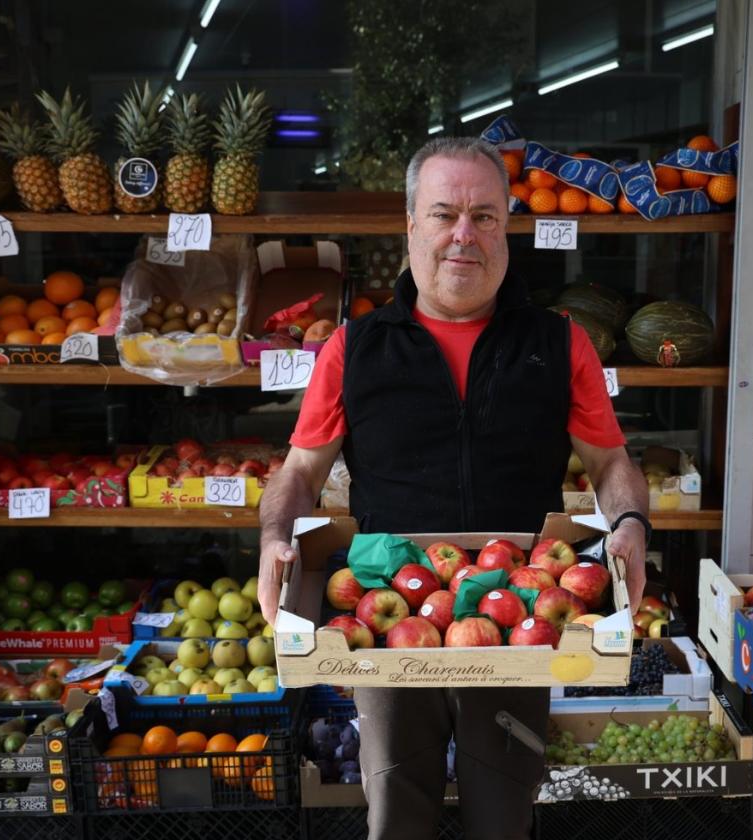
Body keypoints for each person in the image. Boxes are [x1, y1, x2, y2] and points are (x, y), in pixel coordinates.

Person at [256, 136, 649, 840]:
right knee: (397, 815)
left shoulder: (560, 344)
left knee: (501, 819)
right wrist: (276, 536)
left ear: (507, 227)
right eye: (444, 214)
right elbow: (298, 472)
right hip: (384, 628)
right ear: (411, 226)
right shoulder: (356, 348)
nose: (464, 234)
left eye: (485, 216)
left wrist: (630, 527)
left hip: (518, 619)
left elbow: (611, 464)